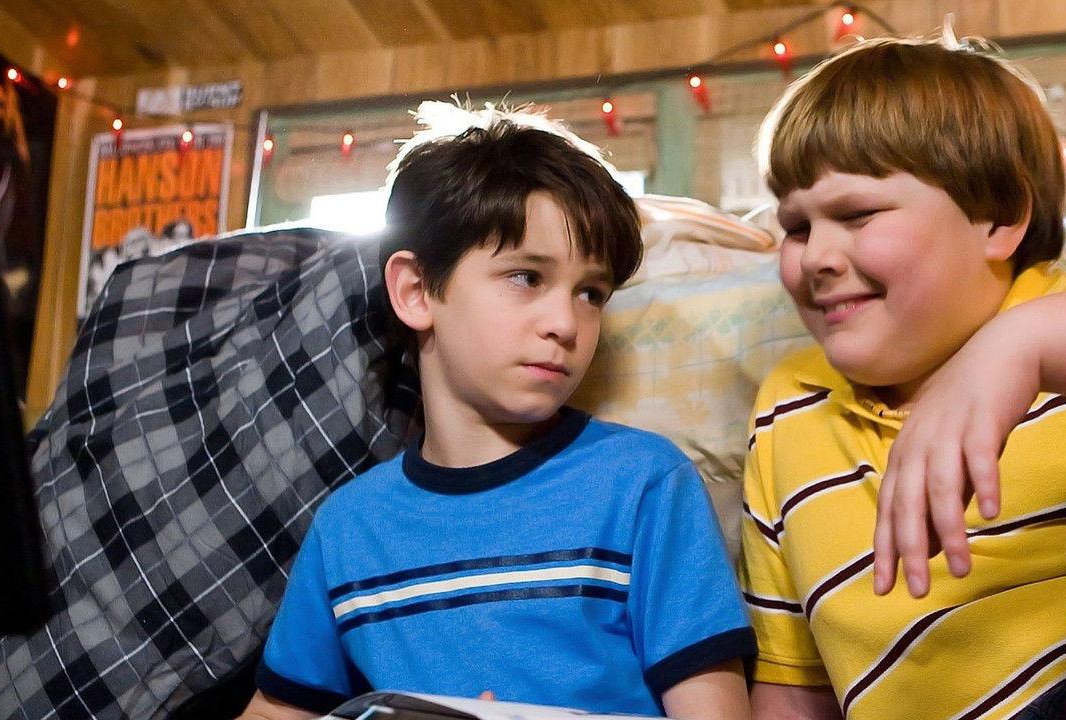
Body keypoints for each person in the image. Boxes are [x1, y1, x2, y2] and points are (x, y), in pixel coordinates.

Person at [739, 31, 1066, 720]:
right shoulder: (788, 407)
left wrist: (1023, 341)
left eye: (858, 215)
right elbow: (792, 690)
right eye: (797, 228)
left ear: (1000, 219)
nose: (815, 258)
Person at [239, 109, 755, 720]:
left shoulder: (644, 484)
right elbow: (275, 711)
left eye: (590, 293)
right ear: (416, 291)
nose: (565, 324)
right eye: (526, 277)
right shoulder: (349, 528)